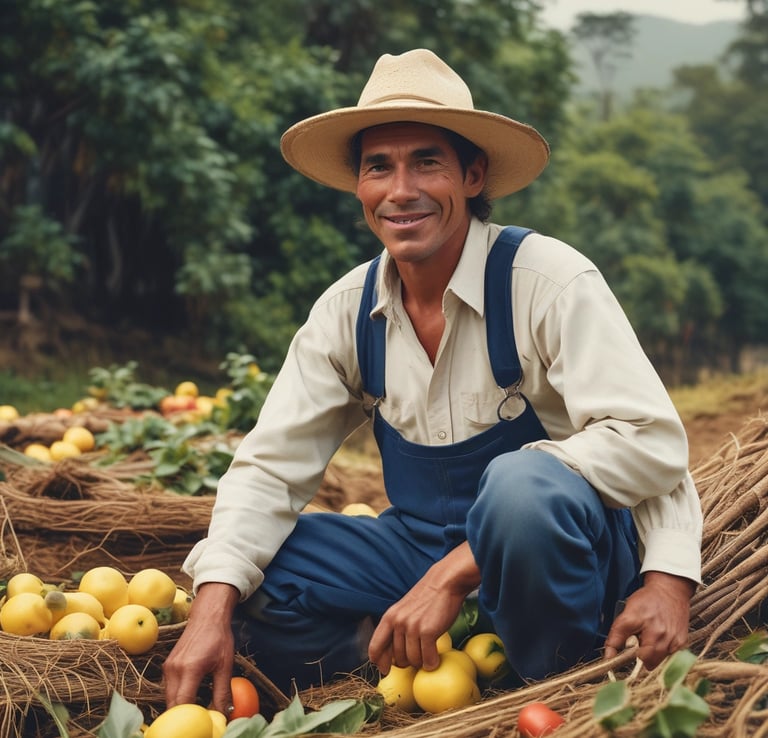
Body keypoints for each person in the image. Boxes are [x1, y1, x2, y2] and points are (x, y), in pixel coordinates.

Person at [163, 49, 702, 713]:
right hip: (416, 550)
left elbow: (648, 439)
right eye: (379, 167)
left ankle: (553, 673)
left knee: (520, 488)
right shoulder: (347, 312)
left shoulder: (546, 282)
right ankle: (401, 662)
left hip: (555, 562)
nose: (401, 189)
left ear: (473, 174)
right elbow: (269, 471)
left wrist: (668, 580)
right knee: (254, 565)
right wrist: (210, 609)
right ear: (358, 187)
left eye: (426, 161)